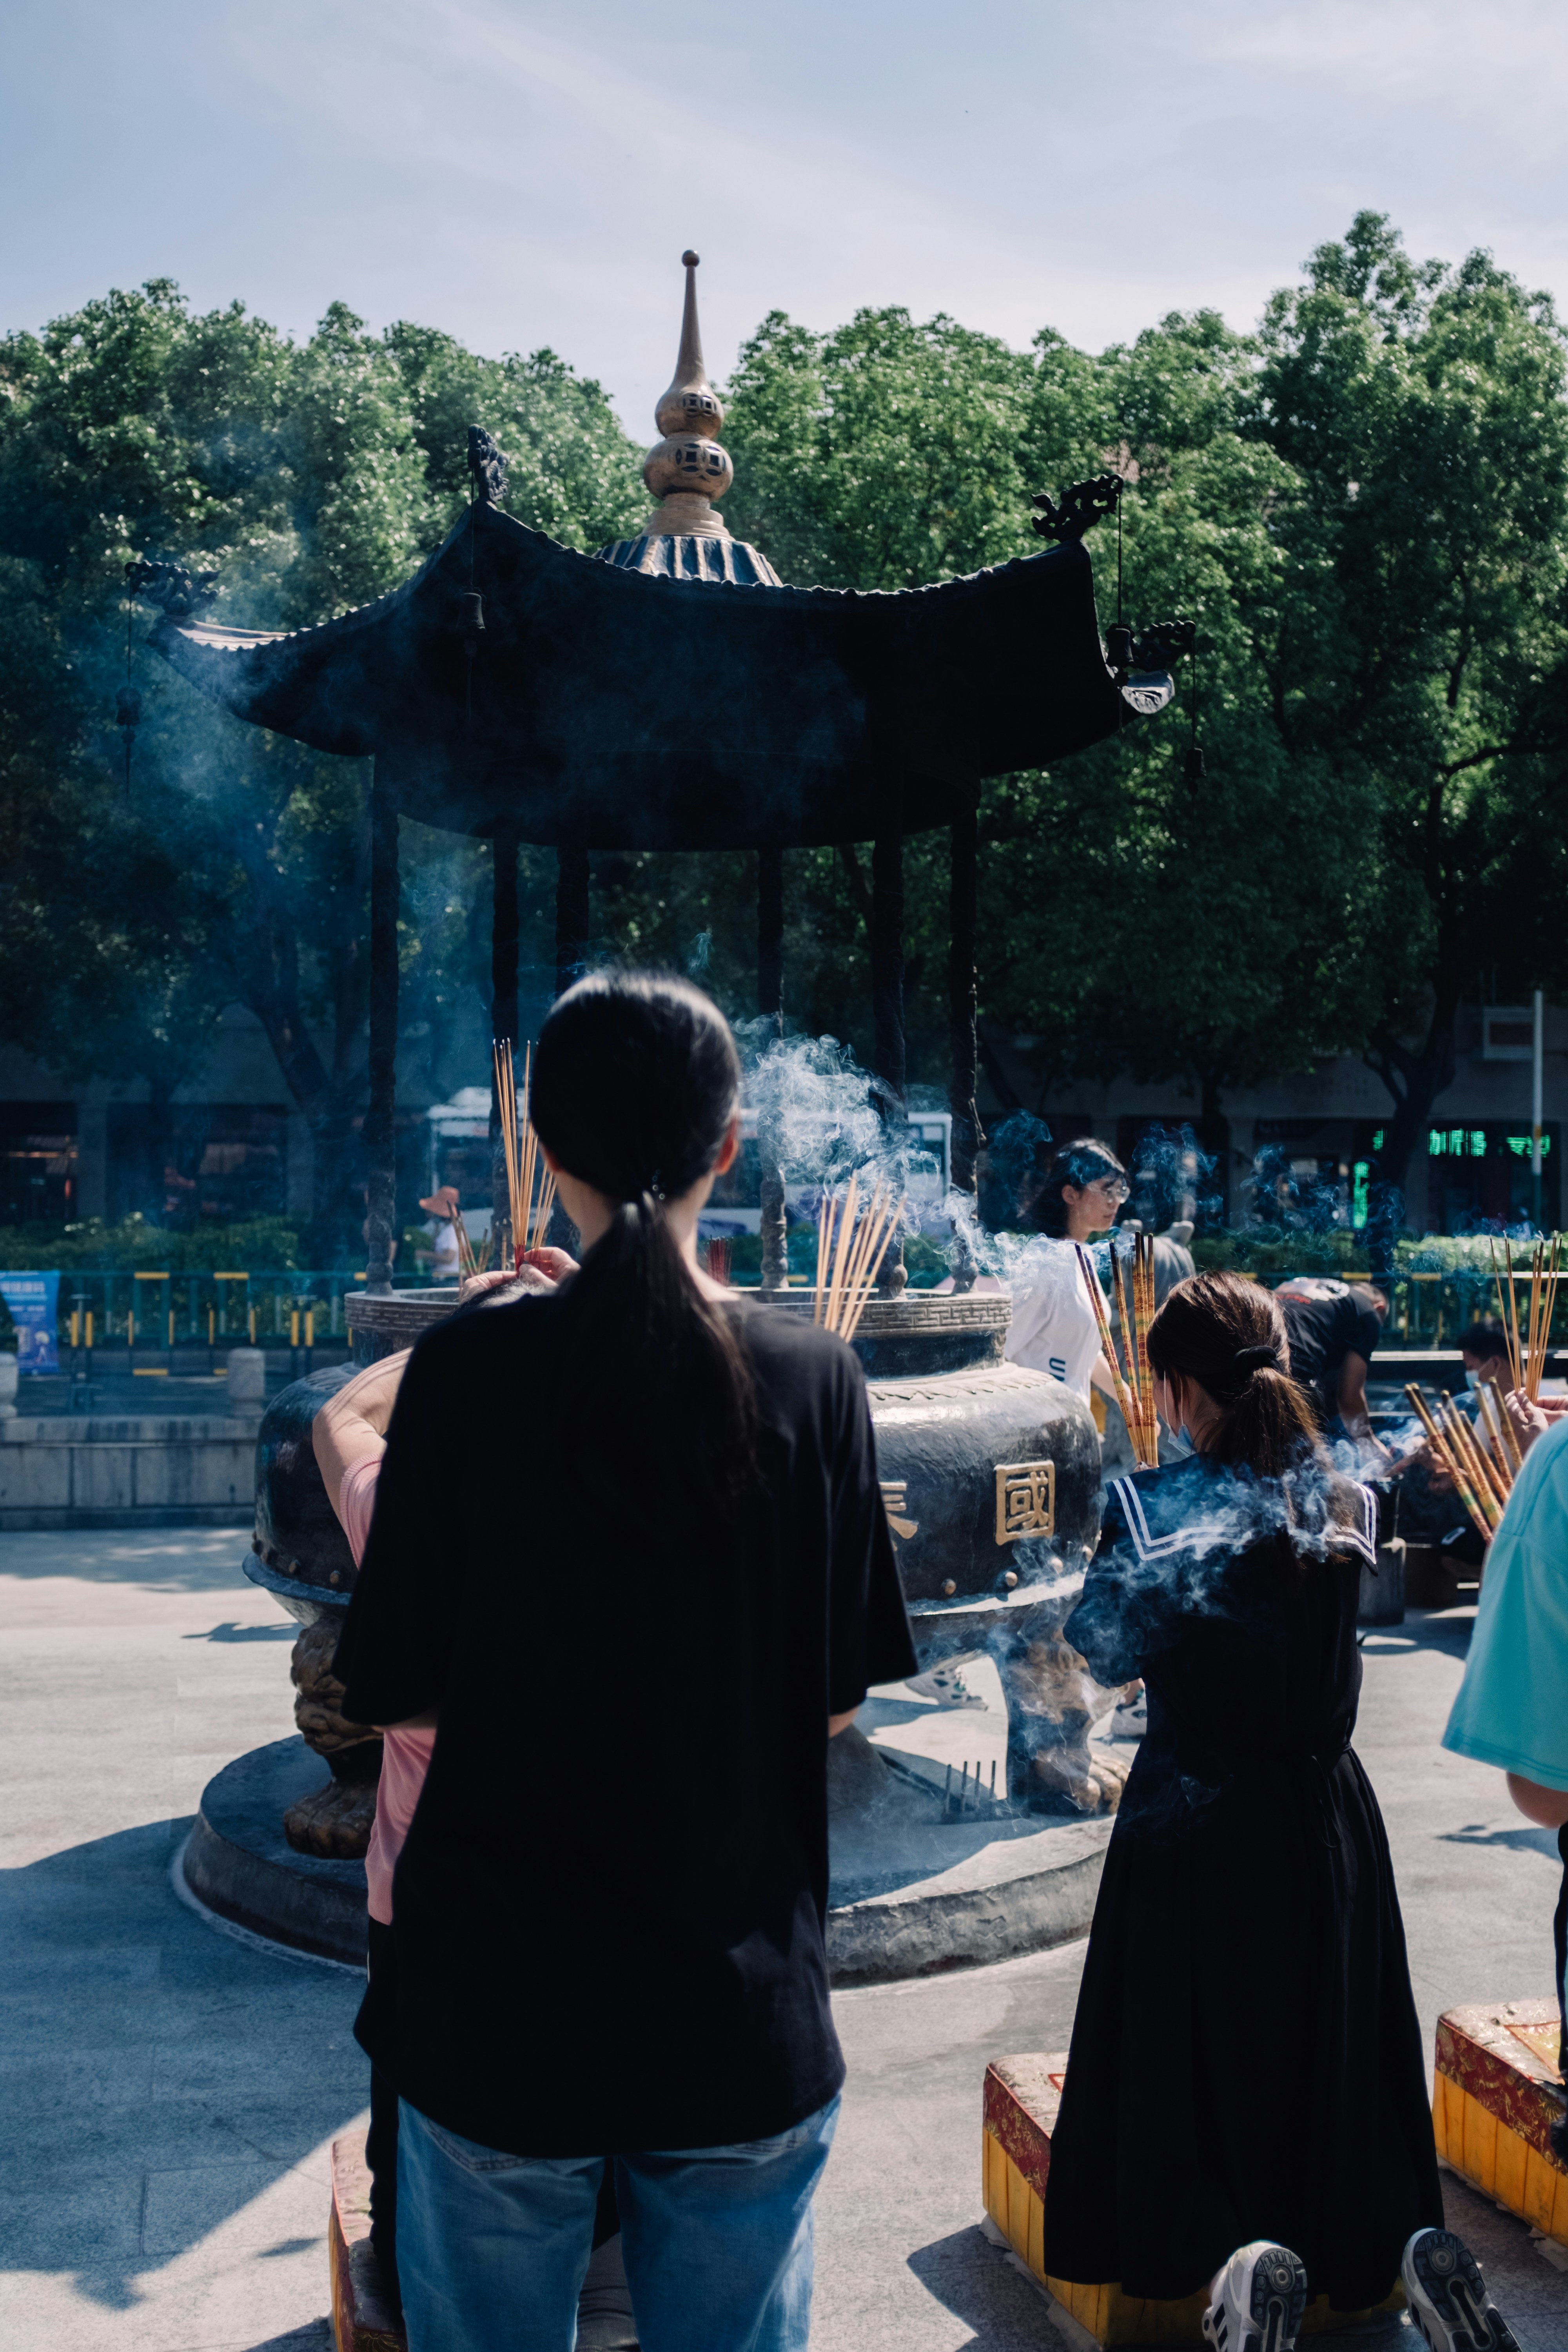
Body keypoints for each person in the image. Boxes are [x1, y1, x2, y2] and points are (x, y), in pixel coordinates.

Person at [330, 971, 917, 2352]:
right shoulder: (814, 1376)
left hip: (497, 2011)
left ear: (542, 1150)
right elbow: (835, 1701)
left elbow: (398, 1688)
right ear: (729, 1145)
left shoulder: (461, 1374)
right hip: (735, 2013)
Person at [1040, 1270, 1499, 2352]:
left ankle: (1233, 2258)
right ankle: (1396, 2247)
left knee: (1195, 2055)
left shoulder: (1152, 1507)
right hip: (1327, 1807)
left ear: (1172, 1385)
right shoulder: (1346, 1498)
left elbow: (1099, 1649)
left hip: (1195, 1811)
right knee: (1332, 2042)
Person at [1273, 1275, 1388, 1452]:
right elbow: (1349, 1397)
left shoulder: (1300, 1285)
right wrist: (1369, 1443)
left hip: (1244, 1355)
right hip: (1295, 1364)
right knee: (1310, 1459)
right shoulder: (1368, 1311)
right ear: (1380, 1308)